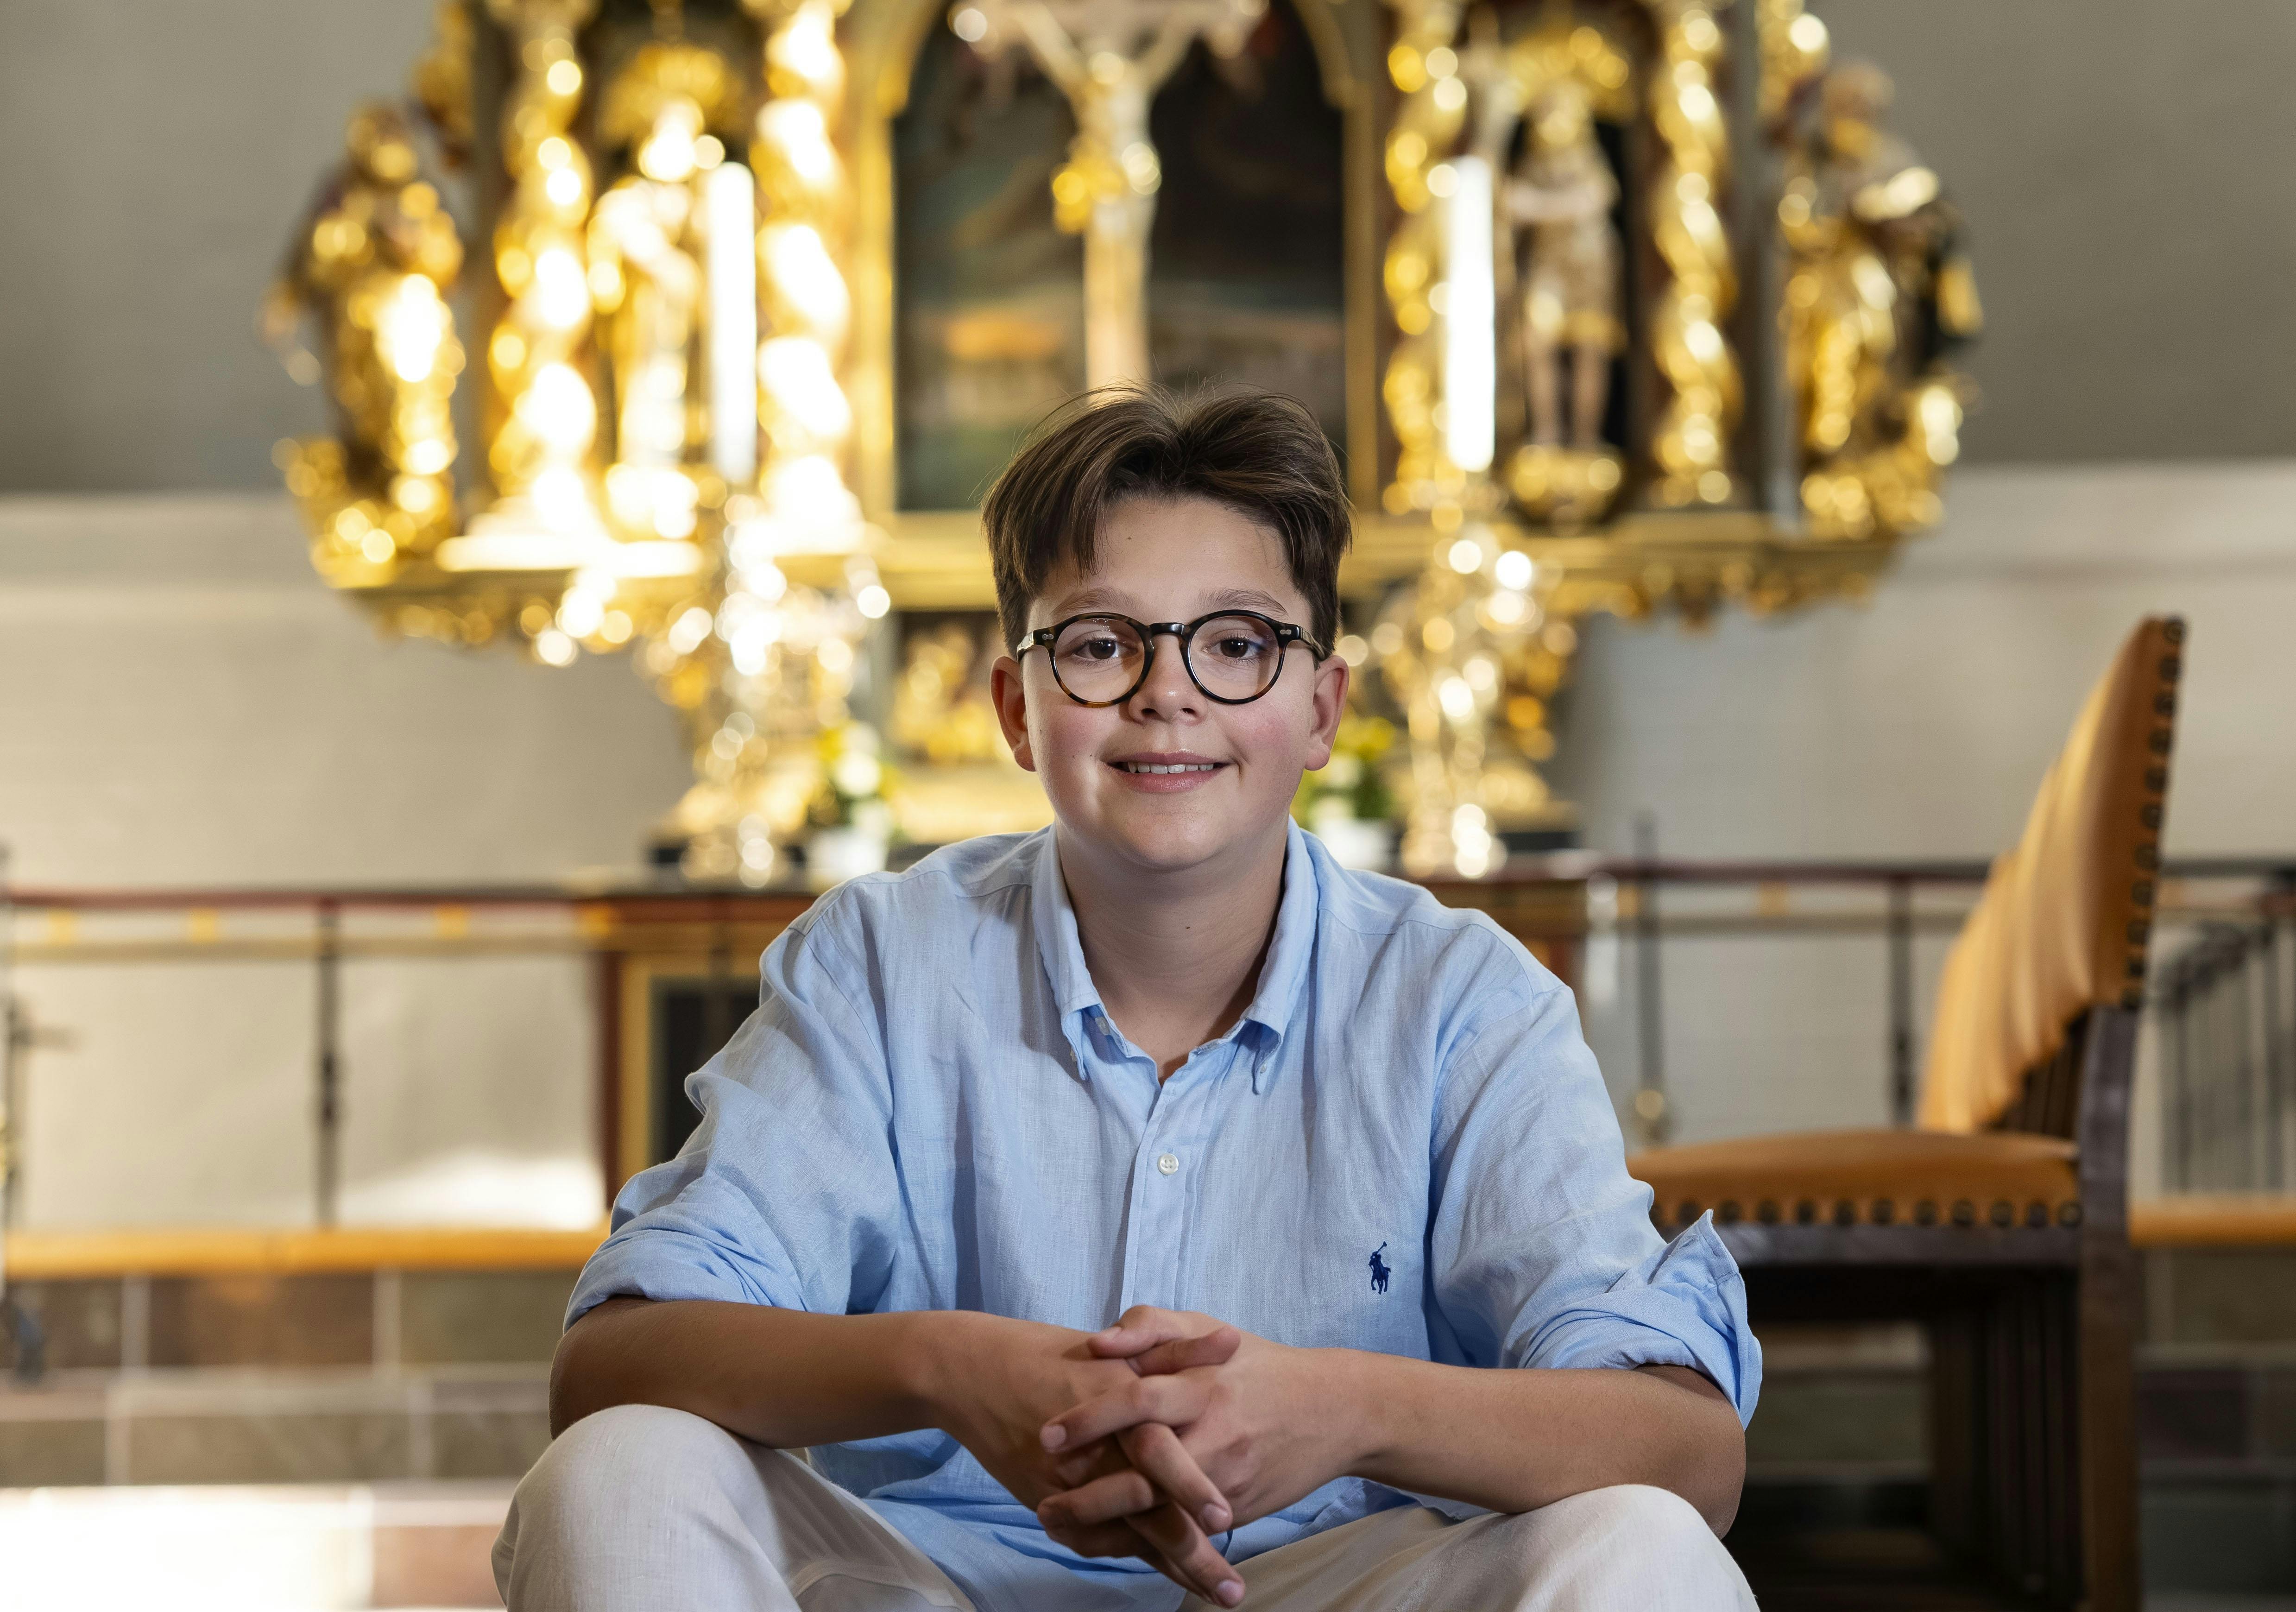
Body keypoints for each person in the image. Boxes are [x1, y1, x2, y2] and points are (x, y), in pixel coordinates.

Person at [496, 387, 1761, 1611]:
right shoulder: (878, 961)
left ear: (1319, 707)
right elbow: (609, 1362)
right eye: (1100, 644)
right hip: (932, 1583)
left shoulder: (1457, 995)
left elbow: (1686, 1448)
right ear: (1015, 705)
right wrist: (944, 1369)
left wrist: (1343, 1407)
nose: (1168, 692)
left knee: (1638, 1541)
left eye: (1235, 644)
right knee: (620, 1471)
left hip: (1338, 1580)